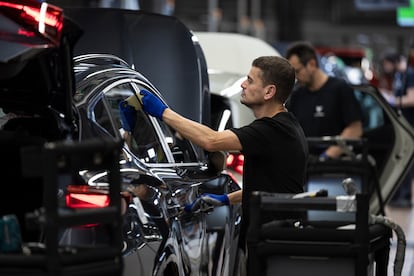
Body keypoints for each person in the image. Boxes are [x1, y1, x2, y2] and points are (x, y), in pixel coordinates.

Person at [139, 56, 309, 264]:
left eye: (250, 80)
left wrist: (163, 112)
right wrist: (226, 199)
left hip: (275, 240)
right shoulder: (285, 125)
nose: (243, 84)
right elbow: (271, 187)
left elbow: (211, 140)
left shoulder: (273, 130)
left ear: (269, 91)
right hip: (276, 235)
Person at [285, 41, 363, 159]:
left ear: (311, 64)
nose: (295, 77)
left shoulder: (339, 89)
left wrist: (326, 156)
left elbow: (355, 129)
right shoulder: (297, 95)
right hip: (303, 166)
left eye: (297, 71)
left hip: (334, 168)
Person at [378, 51, 414, 207]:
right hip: (401, 123)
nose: (386, 68)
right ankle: (398, 194)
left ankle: (405, 196)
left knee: (408, 160)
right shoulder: (399, 75)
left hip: (410, 124)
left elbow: (412, 98)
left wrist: (393, 100)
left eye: (386, 64)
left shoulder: (410, 74)